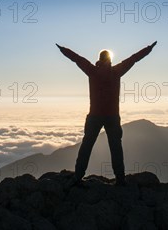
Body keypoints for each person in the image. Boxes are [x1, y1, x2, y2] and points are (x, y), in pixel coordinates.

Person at [56, 40, 157, 187]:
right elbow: (134, 59)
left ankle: (77, 177)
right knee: (116, 147)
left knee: (87, 146)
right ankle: (120, 179)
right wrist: (149, 48)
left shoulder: (92, 70)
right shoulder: (117, 71)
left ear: (99, 59)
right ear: (110, 59)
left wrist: (62, 49)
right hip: (112, 117)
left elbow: (77, 58)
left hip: (94, 116)